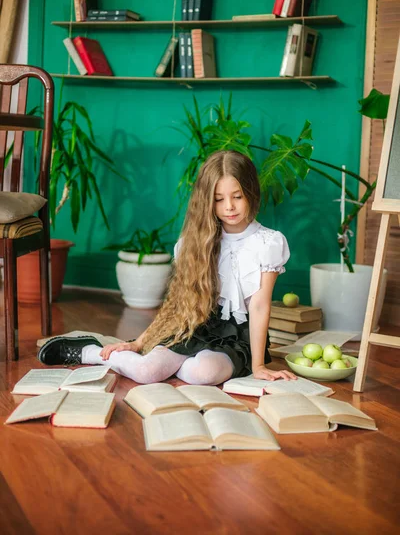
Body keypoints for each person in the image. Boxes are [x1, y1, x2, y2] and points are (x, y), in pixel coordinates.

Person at [38, 150, 296, 385]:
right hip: (196, 324)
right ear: (208, 201)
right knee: (146, 373)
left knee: (204, 374)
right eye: (219, 199)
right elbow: (178, 302)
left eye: (237, 196)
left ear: (251, 191)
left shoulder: (267, 243)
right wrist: (139, 342)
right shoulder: (193, 243)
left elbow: (260, 305)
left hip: (236, 337)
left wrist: (259, 365)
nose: (229, 206)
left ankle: (170, 364)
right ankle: (90, 352)